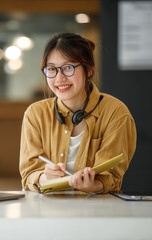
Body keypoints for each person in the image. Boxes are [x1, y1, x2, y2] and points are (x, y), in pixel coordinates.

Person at [19, 33, 137, 193]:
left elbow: (111, 176)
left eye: (68, 67)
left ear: (88, 69)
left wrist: (93, 186)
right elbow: (29, 173)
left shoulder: (115, 113)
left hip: (98, 209)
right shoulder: (35, 114)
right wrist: (45, 178)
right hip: (47, 210)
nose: (59, 78)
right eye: (52, 69)